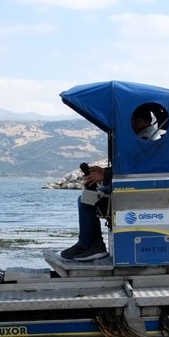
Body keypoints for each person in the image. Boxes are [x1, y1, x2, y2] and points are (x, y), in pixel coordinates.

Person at [60, 111, 159, 261]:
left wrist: (105, 176)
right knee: (87, 197)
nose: (128, 127)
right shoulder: (149, 137)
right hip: (137, 190)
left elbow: (138, 167)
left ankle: (91, 246)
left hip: (138, 194)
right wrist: (104, 171)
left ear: (139, 122)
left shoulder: (147, 139)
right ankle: (91, 245)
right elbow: (132, 165)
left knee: (86, 200)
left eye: (130, 122)